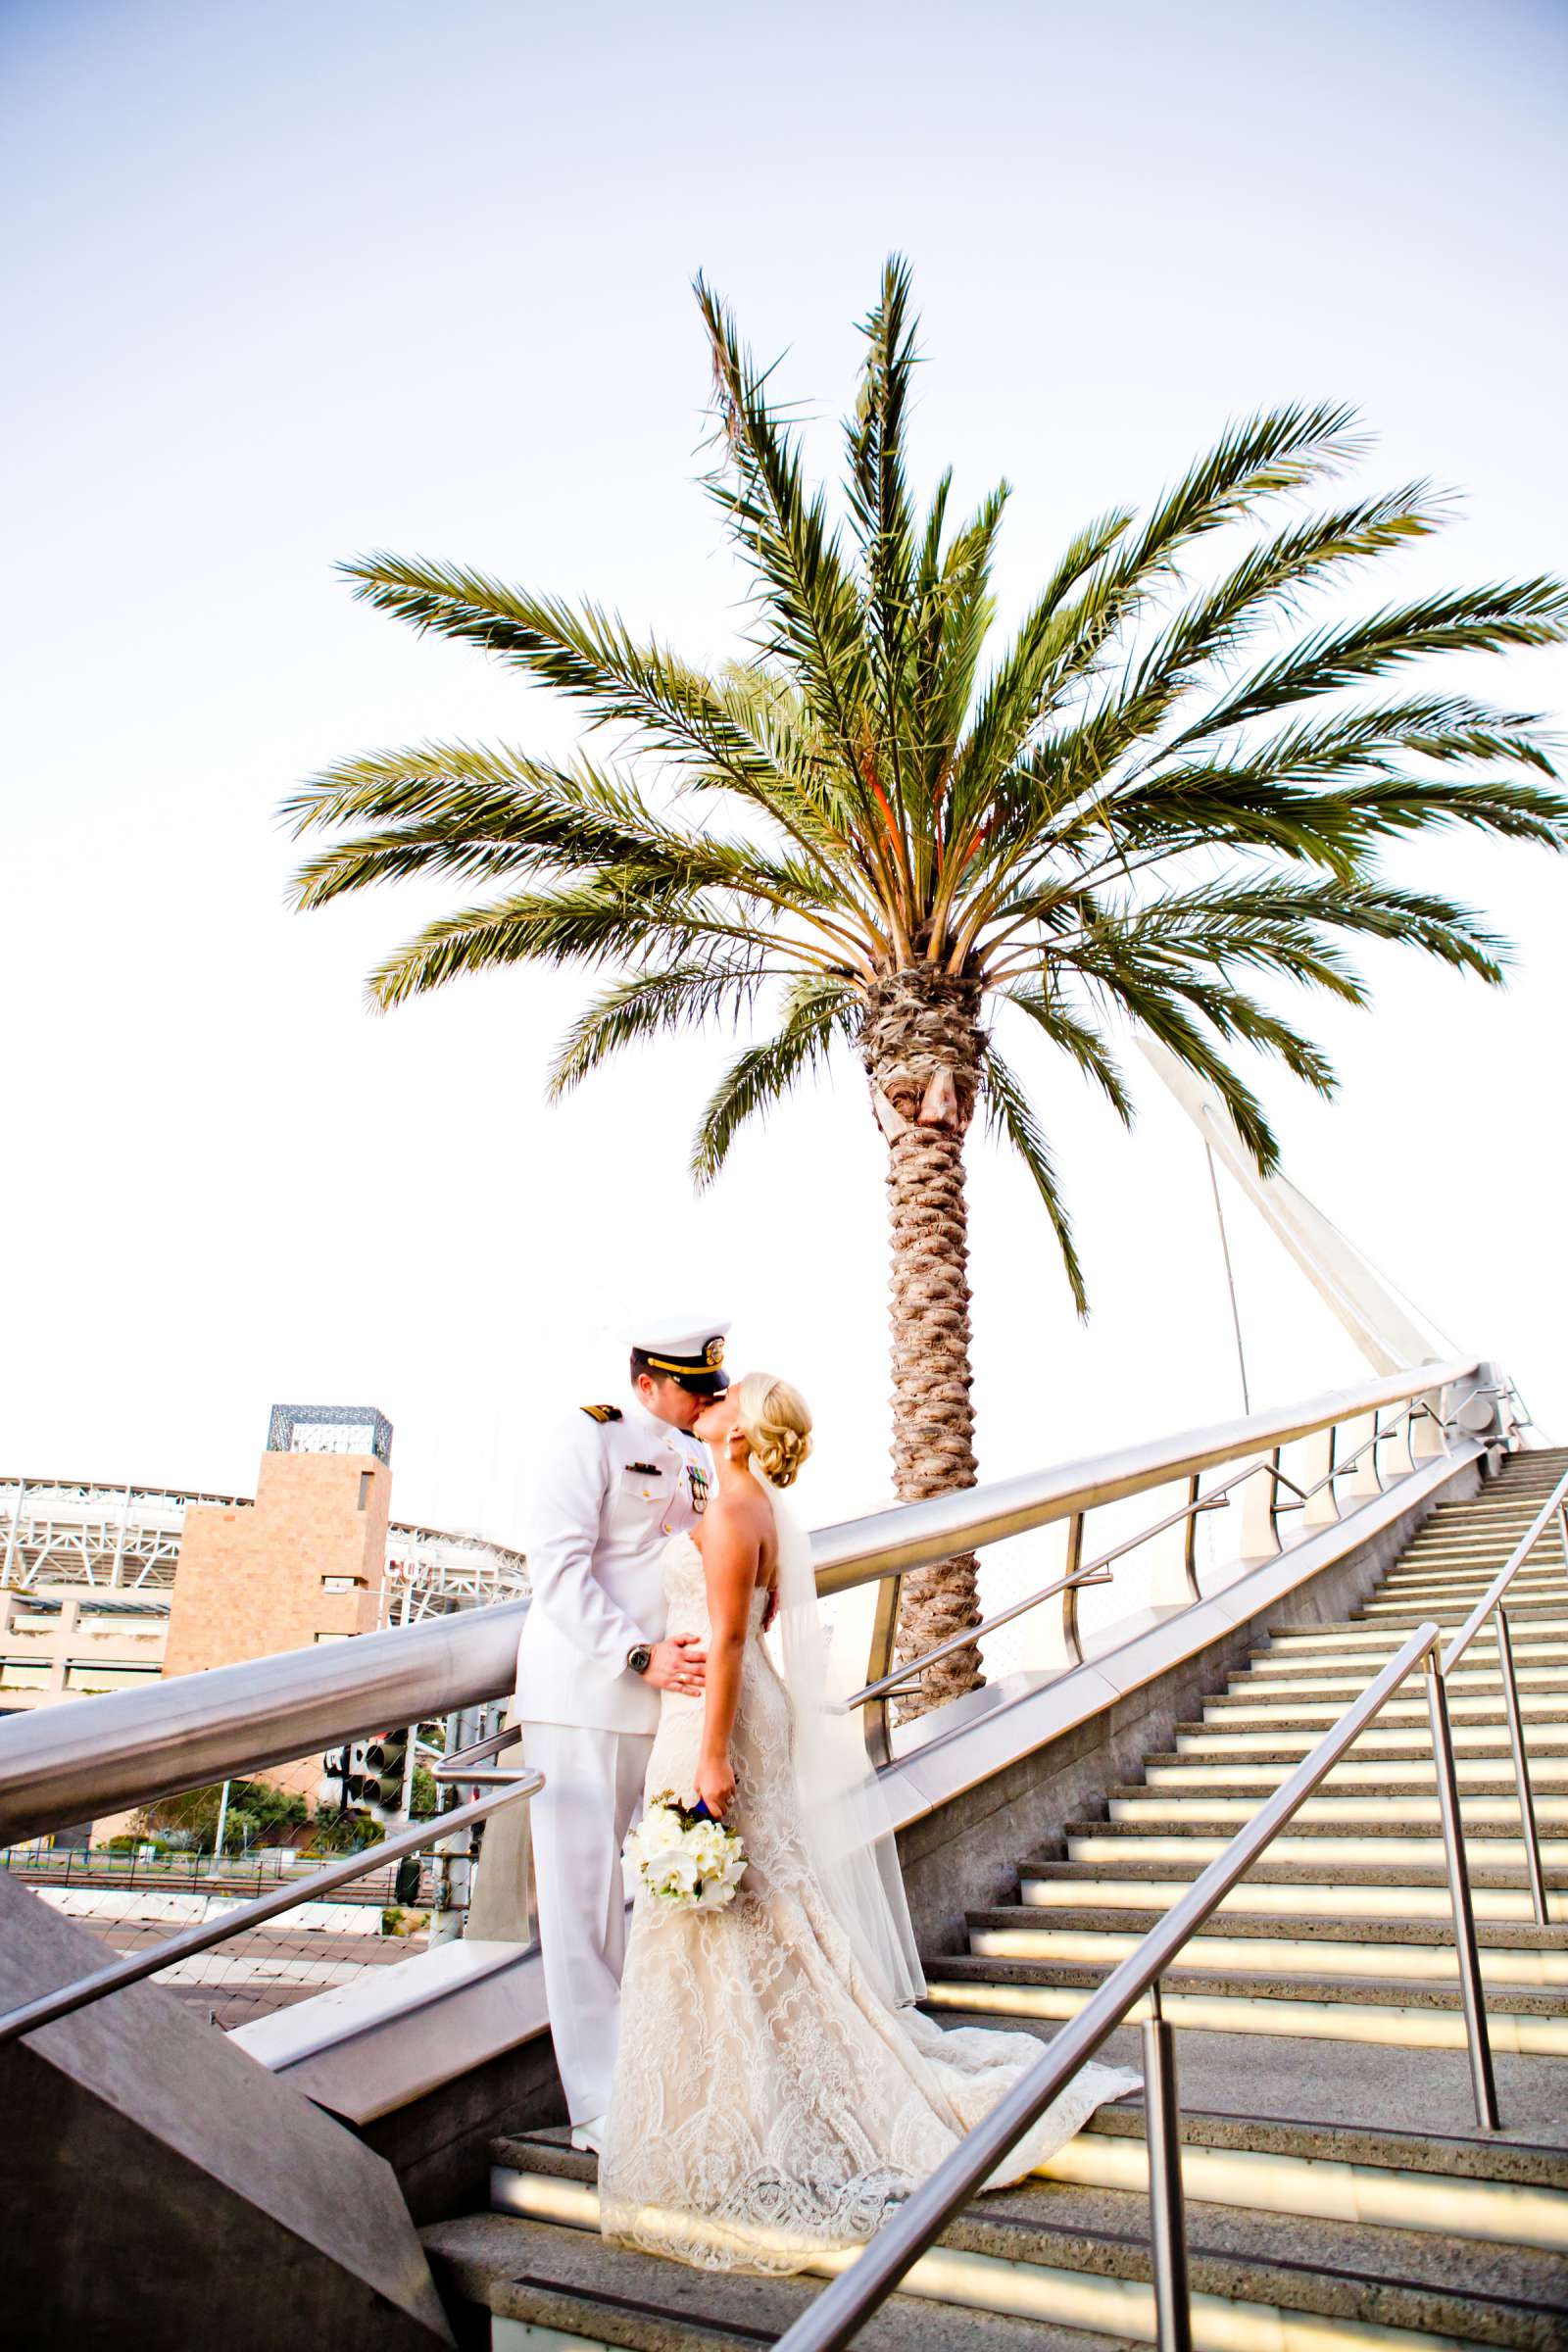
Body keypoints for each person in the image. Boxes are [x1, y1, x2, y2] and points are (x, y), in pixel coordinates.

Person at [598, 1370, 1139, 2275]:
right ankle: (730, 2089)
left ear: (742, 1430)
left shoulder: (732, 1517)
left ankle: (737, 2107)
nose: (716, 1397)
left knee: (728, 1901)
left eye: (732, 1397)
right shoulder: (746, 1505)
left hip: (718, 1719)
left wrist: (710, 1756)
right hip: (740, 1708)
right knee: (762, 1903)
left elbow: (730, 1638)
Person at [513, 1313, 735, 2155]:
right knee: (581, 1907)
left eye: (713, 1385)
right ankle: (601, 2108)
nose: (705, 1397)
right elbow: (558, 1570)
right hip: (584, 1692)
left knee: (657, 1899)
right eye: (691, 1385)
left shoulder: (695, 1453)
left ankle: (650, 2077)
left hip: (665, 1702)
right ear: (645, 1382)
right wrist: (635, 1653)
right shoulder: (591, 1439)